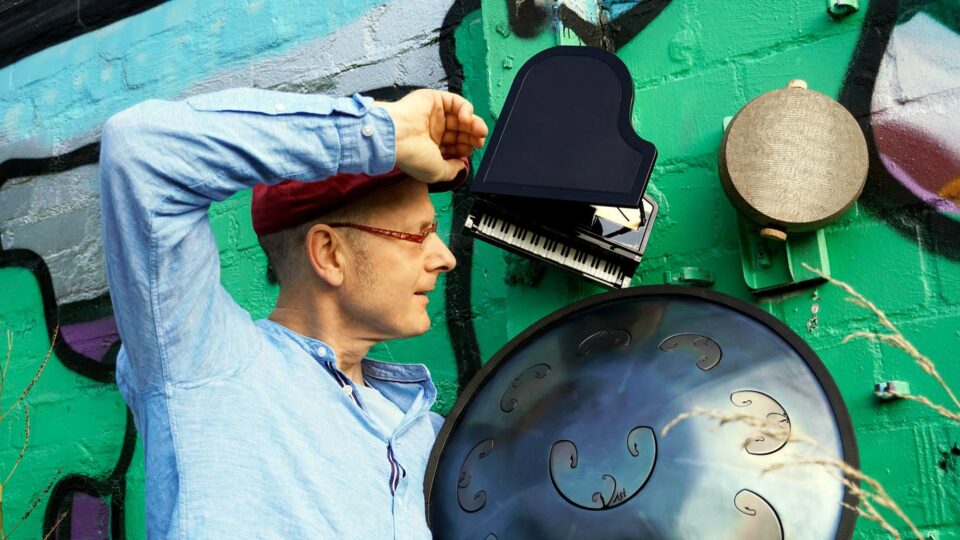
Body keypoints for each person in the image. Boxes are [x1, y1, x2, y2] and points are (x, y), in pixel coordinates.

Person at [99, 87, 488, 538]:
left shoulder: (428, 436)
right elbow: (139, 149)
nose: (445, 258)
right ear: (329, 254)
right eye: (419, 235)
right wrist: (383, 133)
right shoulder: (208, 367)